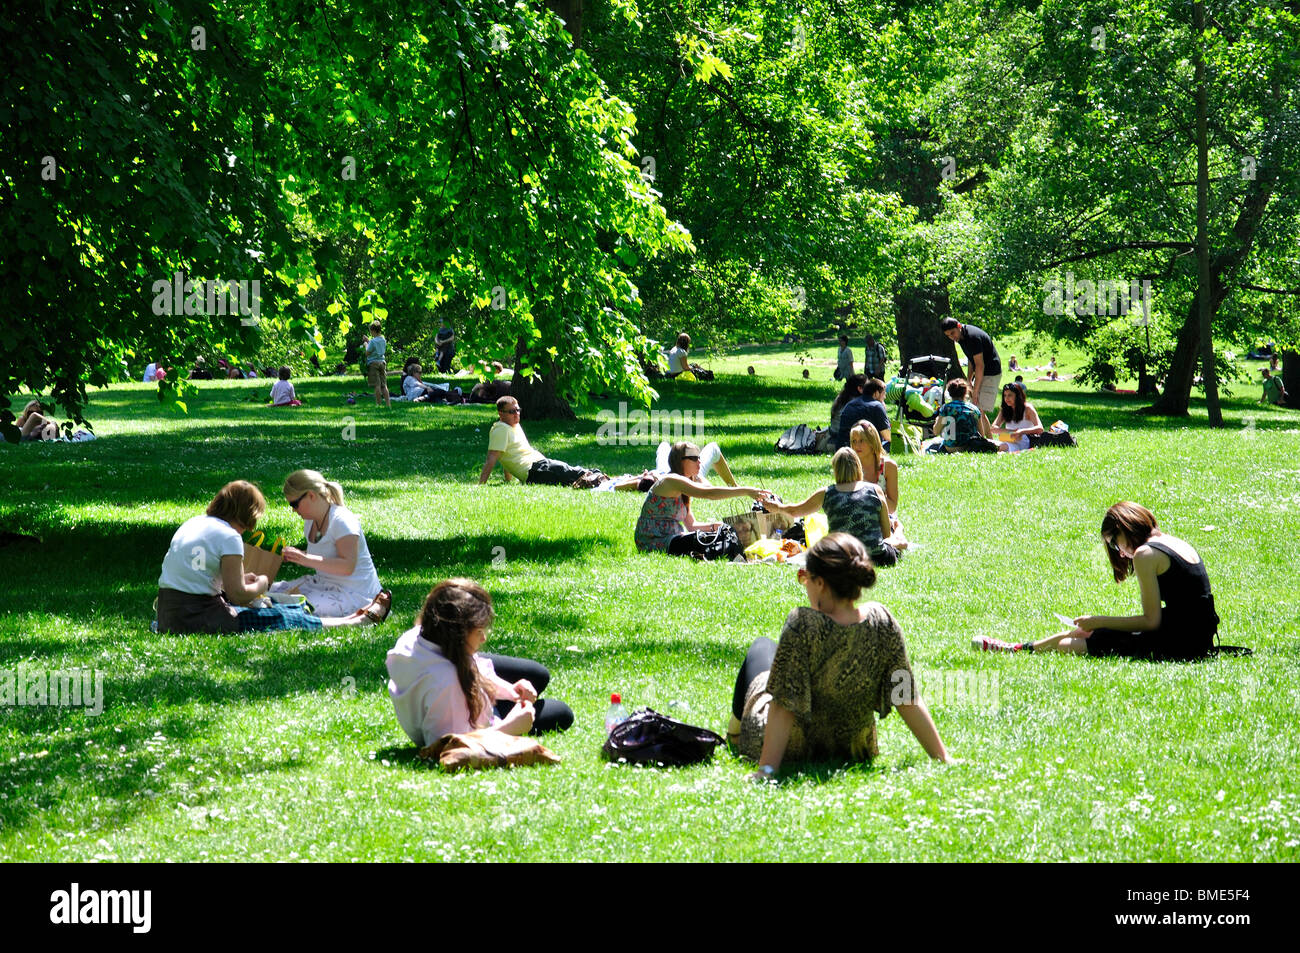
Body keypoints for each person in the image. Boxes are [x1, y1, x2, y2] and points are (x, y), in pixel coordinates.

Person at [728, 532, 948, 781]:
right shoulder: (882, 620)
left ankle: (732, 735)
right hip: (855, 750)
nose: (805, 584)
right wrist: (942, 757)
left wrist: (766, 771)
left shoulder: (802, 624)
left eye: (805, 577)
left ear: (820, 582)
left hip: (792, 749)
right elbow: (906, 697)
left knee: (761, 647)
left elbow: (783, 707)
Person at [974, 502, 1219, 661]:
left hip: (1183, 642)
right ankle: (1018, 648)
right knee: (1087, 632)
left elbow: (1151, 621)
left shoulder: (1146, 554)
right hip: (1195, 633)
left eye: (1115, 542)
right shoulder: (1171, 541)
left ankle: (1016, 649)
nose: (1120, 553)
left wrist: (1100, 620)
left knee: (1077, 642)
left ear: (1127, 527)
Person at [155, 481, 379, 634]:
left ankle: (351, 619)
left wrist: (243, 578)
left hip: (168, 613)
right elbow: (239, 595)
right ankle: (354, 621)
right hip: (197, 616)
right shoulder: (230, 536)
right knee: (278, 616)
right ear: (247, 516)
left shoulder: (194, 523)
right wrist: (261, 583)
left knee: (279, 608)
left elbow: (201, 574)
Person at [387, 579, 574, 746]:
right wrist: (510, 728)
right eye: (478, 632)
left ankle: (500, 702)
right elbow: (448, 748)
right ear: (457, 635)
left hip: (464, 700)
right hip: (471, 724)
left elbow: (470, 665)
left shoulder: (419, 637)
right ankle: (499, 711)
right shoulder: (447, 683)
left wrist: (510, 691)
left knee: (537, 675)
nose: (484, 638)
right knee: (561, 713)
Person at [271, 470, 390, 619]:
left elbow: (347, 566)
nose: (293, 510)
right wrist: (296, 556)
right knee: (269, 591)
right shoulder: (310, 521)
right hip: (324, 584)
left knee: (295, 607)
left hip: (354, 594)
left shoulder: (342, 520)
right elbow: (323, 555)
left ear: (311, 495)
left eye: (294, 504)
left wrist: (305, 558)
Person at [763, 448, 905, 566]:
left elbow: (795, 510)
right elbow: (886, 535)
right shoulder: (875, 490)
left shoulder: (827, 493)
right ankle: (901, 533)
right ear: (858, 467)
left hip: (840, 558)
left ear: (836, 470)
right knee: (896, 530)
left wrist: (777, 507)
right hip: (877, 557)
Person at [635, 441, 770, 559]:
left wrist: (714, 526)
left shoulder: (684, 485)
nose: (699, 461)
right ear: (680, 461)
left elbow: (691, 525)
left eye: (699, 457)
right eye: (693, 458)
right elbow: (708, 493)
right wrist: (745, 490)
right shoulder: (671, 481)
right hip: (653, 543)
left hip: (673, 539)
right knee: (709, 540)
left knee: (722, 533)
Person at [478, 395, 603, 487]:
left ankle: (603, 478)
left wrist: (508, 480)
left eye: (518, 410)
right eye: (511, 411)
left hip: (540, 465)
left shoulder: (513, 425)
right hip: (534, 471)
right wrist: (481, 485)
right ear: (501, 413)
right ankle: (605, 480)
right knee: (572, 473)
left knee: (571, 472)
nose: (516, 414)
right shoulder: (501, 429)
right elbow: (492, 458)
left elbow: (506, 454)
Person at [940, 317, 1001, 414]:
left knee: (978, 410)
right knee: (976, 409)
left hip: (991, 372)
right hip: (981, 372)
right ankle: (983, 430)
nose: (952, 337)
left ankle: (983, 429)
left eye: (952, 333)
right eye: (948, 335)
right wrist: (969, 379)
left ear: (959, 326)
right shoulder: (961, 337)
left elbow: (980, 365)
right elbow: (971, 358)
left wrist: (975, 391)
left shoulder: (972, 337)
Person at [848, 420, 900, 522]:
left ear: (872, 441)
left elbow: (892, 507)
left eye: (862, 440)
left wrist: (867, 487)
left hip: (884, 517)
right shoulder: (850, 466)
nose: (857, 445)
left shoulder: (888, 466)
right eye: (854, 441)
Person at [931, 378, 996, 452]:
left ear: (949, 392)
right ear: (966, 392)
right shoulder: (974, 409)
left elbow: (936, 431)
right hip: (970, 448)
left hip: (950, 448)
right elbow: (981, 435)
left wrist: (937, 421)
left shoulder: (946, 408)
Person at [836, 377, 891, 450]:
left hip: (842, 449)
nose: (885, 397)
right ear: (876, 393)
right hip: (862, 449)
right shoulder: (876, 406)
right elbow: (887, 436)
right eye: (884, 393)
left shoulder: (850, 404)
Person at [990, 381, 1043, 452]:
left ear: (1017, 396)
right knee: (988, 444)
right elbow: (993, 428)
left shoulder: (1027, 408)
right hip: (1008, 438)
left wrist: (1021, 432)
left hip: (1023, 440)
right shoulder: (1005, 409)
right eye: (1005, 395)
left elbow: (1040, 428)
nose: (1006, 398)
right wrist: (1011, 431)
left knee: (998, 447)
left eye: (1010, 395)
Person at [829, 374, 865, 444]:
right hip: (845, 439)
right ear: (860, 389)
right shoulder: (857, 403)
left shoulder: (841, 397)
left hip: (833, 434)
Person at [364, 320, 390, 408]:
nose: (370, 333)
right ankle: (388, 404)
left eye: (371, 331)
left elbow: (367, 353)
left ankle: (378, 404)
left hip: (373, 363)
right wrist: (369, 341)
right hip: (382, 362)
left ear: (373, 330)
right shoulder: (383, 340)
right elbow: (376, 345)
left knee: (377, 385)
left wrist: (365, 345)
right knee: (384, 385)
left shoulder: (373, 341)